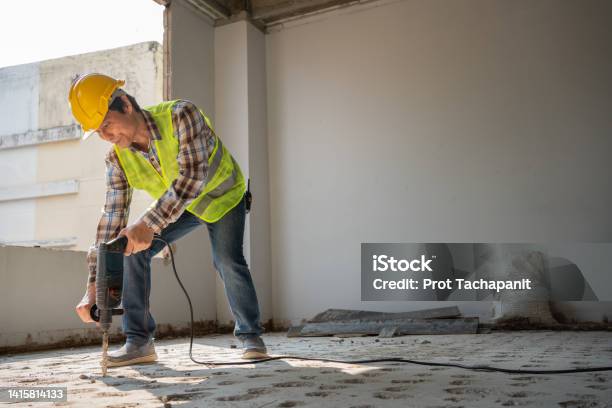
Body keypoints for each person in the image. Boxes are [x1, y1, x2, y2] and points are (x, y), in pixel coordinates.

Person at [69, 73, 267, 367]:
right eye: (98, 131)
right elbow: (111, 218)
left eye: (106, 124)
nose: (106, 136)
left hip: (223, 196)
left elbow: (191, 178)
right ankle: (139, 342)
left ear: (125, 104)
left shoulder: (180, 115)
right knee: (129, 248)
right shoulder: (117, 160)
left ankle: (251, 337)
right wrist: (94, 286)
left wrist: (147, 225)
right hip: (178, 205)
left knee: (227, 260)